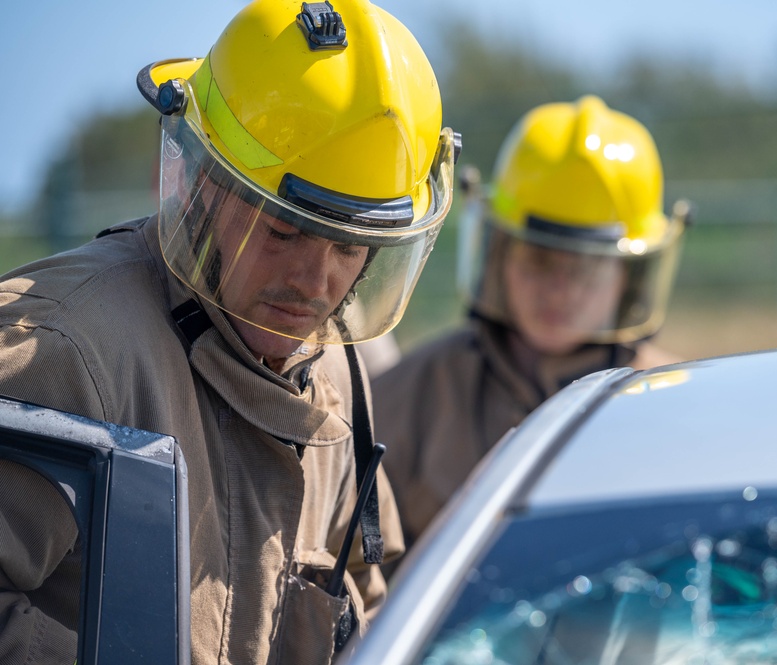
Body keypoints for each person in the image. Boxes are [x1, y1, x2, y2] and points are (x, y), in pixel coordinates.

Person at [0, 0, 457, 662]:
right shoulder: (65, 349)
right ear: (198, 182)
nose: (314, 280)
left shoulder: (333, 386)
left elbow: (372, 610)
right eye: (283, 230)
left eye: (350, 245)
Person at [372, 95, 691, 547]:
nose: (559, 289)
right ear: (500, 255)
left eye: (584, 268)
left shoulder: (678, 405)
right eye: (540, 260)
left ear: (628, 279)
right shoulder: (412, 395)